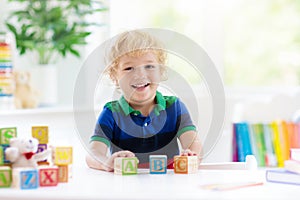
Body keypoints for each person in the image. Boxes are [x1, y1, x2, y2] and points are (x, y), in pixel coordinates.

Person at [86, 30, 202, 172]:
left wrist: (191, 155)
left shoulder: (174, 107)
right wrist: (106, 163)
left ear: (160, 70)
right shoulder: (111, 113)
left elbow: (193, 142)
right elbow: (93, 153)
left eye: (149, 66)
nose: (140, 74)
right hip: (127, 187)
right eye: (129, 68)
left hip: (171, 187)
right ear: (114, 76)